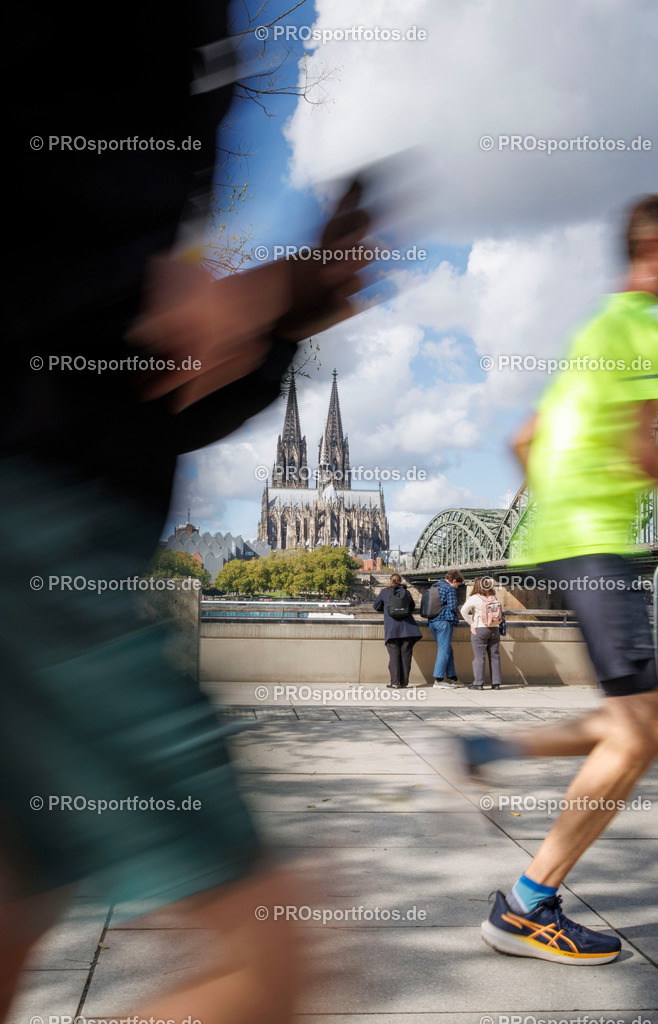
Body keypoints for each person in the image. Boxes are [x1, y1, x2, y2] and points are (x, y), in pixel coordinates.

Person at [4, 3, 380, 1021]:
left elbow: (153, 378)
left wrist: (280, 315)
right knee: (264, 954)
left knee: (19, 910)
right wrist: (153, 290)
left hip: (71, 489)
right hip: (39, 508)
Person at [453, 194, 658, 965]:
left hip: (558, 540)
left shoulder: (591, 332)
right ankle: (526, 904)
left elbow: (523, 437)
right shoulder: (647, 328)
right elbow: (648, 455)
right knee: (644, 729)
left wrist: (557, 508)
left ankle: (500, 745)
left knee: (647, 718)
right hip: (597, 546)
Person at [374, 574, 422, 687]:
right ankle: (404, 682)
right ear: (400, 581)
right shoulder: (406, 592)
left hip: (392, 629)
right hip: (408, 629)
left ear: (390, 581)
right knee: (406, 657)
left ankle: (395, 682)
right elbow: (412, 607)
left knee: (394, 657)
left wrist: (387, 608)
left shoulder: (384, 592)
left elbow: (376, 606)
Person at [460, 577, 502, 690]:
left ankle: (478, 683)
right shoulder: (493, 597)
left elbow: (463, 611)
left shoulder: (475, 598)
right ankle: (496, 683)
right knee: (495, 656)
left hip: (480, 629)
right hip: (495, 628)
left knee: (479, 657)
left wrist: (471, 623)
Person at [427, 569, 465, 688]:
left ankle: (452, 677)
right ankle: (438, 680)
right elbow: (453, 607)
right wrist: (460, 607)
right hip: (444, 622)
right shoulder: (449, 588)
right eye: (458, 585)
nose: (457, 587)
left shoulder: (435, 586)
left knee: (448, 649)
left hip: (432, 621)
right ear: (454, 581)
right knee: (444, 651)